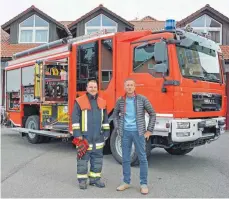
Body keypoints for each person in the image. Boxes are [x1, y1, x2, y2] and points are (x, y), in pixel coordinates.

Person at [113, 78, 156, 195]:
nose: (129, 87)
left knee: (142, 158)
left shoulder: (142, 99)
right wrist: (117, 128)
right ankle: (126, 182)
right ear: (124, 87)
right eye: (127, 85)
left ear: (135, 87)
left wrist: (149, 131)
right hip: (125, 133)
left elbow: (152, 113)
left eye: (131, 85)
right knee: (125, 158)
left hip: (139, 133)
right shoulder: (121, 100)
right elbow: (115, 114)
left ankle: (143, 184)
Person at [72, 79, 110, 189]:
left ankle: (95, 179)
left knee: (97, 160)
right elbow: (75, 118)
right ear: (86, 88)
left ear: (97, 88)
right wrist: (77, 133)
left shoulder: (102, 102)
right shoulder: (79, 101)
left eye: (94, 87)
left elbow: (105, 120)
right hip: (83, 137)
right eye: (90, 87)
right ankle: (82, 181)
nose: (93, 89)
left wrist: (106, 132)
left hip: (98, 137)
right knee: (82, 160)